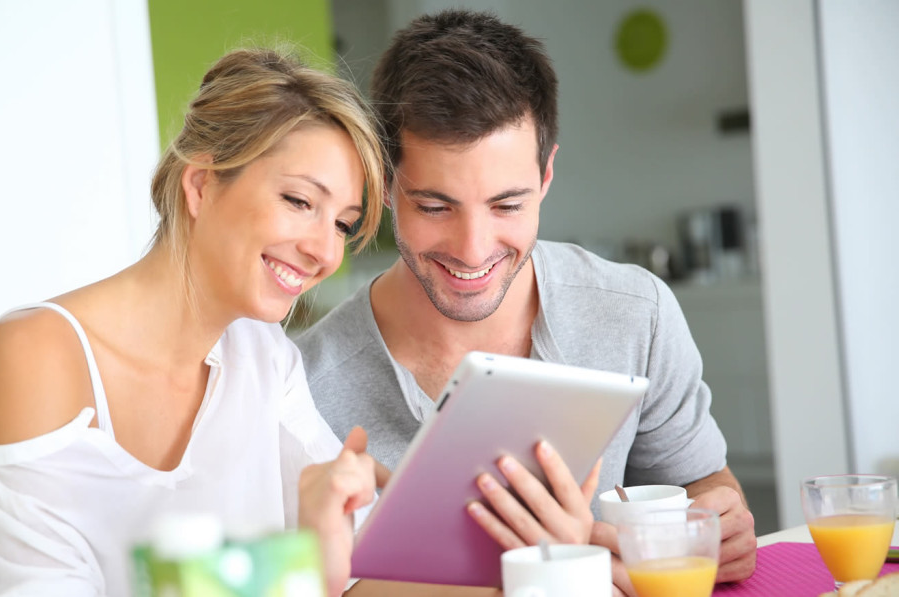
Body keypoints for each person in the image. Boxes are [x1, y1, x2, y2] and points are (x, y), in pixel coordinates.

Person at [295, 9, 757, 595]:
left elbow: (702, 486)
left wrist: (718, 526)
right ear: (385, 184)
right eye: (436, 206)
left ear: (546, 177)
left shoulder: (636, 313)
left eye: (507, 205)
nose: (473, 249)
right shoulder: (305, 385)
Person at [0, 48, 388, 597]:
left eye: (342, 224)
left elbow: (360, 573)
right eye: (299, 200)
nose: (323, 251)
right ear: (201, 184)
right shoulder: (35, 360)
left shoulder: (263, 358)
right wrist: (307, 570)